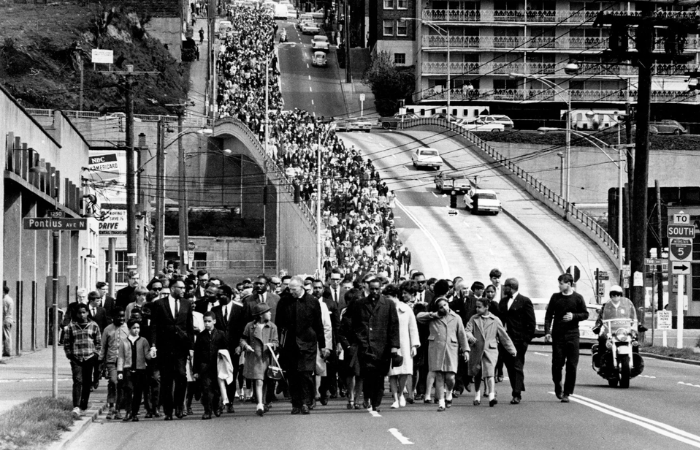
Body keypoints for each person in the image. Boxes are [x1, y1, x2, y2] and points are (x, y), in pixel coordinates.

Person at [341, 279, 400, 413]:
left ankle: (376, 403)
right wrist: (358, 339)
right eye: (372, 289)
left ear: (380, 289)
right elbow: (351, 323)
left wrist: (394, 346)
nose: (374, 292)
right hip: (365, 347)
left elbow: (394, 326)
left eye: (377, 289)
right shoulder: (360, 304)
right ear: (367, 288)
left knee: (379, 376)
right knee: (367, 375)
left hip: (382, 347)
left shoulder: (389, 304)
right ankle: (367, 396)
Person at [275, 276, 327, 415]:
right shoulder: (284, 301)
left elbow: (318, 325)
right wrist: (278, 342)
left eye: (294, 289)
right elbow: (278, 323)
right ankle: (295, 403)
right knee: (292, 375)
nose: (291, 292)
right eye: (289, 289)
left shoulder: (312, 301)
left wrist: (323, 345)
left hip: (308, 342)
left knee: (305, 373)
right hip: (290, 344)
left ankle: (306, 402)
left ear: (302, 287)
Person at [417, 285, 469, 412]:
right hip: (436, 349)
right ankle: (441, 402)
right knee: (439, 375)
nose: (443, 308)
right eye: (440, 307)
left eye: (445, 305)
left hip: (451, 348)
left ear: (448, 304)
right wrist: (433, 314)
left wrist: (466, 350)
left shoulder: (456, 318)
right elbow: (419, 317)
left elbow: (462, 334)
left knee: (450, 377)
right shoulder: (433, 317)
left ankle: (449, 391)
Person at [149, 277, 194, 420]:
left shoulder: (187, 304)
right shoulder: (159, 304)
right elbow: (154, 326)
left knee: (181, 375)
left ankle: (179, 406)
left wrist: (191, 347)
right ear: (173, 288)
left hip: (181, 347)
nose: (183, 291)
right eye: (181, 288)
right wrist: (154, 345)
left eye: (184, 288)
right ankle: (168, 410)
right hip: (165, 347)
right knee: (167, 379)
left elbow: (189, 327)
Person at [544, 273, 589, 402]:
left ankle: (567, 392)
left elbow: (585, 314)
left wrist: (574, 316)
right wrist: (547, 332)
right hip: (558, 335)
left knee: (572, 365)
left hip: (573, 335)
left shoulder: (578, 298)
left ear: (568, 284)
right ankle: (558, 384)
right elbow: (548, 316)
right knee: (557, 364)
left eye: (561, 283)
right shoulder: (555, 297)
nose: (559, 286)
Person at [466, 297, 516, 407]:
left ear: (487, 307)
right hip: (477, 349)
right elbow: (467, 330)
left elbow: (504, 336)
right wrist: (470, 337)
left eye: (479, 307)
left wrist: (511, 349)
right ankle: (477, 395)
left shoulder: (495, 320)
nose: (477, 309)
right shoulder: (474, 319)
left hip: (490, 350)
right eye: (476, 307)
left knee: (490, 373)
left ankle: (491, 396)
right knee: (477, 374)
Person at [497, 278, 535, 405]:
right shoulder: (503, 301)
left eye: (505, 287)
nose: (503, 289)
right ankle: (516, 388)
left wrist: (526, 340)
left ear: (511, 287)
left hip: (518, 340)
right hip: (504, 340)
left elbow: (531, 323)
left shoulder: (524, 301)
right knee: (509, 366)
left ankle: (516, 393)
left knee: (517, 366)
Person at [64, 303, 102, 419]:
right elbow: (67, 343)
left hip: (89, 357)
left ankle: (83, 405)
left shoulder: (93, 326)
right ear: (76, 314)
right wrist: (70, 355)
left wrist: (95, 354)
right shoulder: (71, 327)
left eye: (84, 312)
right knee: (77, 380)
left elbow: (98, 342)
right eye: (79, 313)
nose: (82, 315)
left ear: (87, 313)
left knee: (86, 382)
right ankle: (76, 406)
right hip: (76, 358)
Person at [241, 303, 279, 416]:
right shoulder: (250, 326)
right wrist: (246, 346)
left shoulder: (272, 327)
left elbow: (277, 342)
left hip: (267, 357)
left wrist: (272, 345)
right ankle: (260, 404)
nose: (270, 313)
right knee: (258, 380)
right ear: (261, 315)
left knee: (266, 381)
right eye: (268, 312)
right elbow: (243, 339)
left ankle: (264, 401)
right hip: (255, 356)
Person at [211, 285, 245, 413]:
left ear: (229, 294)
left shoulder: (239, 310)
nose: (219, 298)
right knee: (219, 374)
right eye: (218, 295)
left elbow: (242, 330)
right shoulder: (214, 310)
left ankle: (230, 401)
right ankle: (220, 400)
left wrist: (239, 346)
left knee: (232, 374)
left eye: (221, 295)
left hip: (234, 348)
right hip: (217, 348)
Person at [386, 284, 419, 409]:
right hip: (390, 344)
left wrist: (414, 345)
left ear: (395, 296)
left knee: (405, 371)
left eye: (389, 297)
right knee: (392, 372)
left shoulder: (406, 309)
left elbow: (413, 328)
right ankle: (395, 398)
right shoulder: (385, 309)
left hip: (405, 343)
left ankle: (401, 394)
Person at [193, 312, 228, 420]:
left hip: (217, 366)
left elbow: (226, 350)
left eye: (209, 321)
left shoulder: (221, 334)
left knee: (216, 389)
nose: (207, 323)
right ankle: (207, 411)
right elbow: (197, 353)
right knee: (206, 389)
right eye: (205, 321)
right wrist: (196, 370)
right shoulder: (200, 336)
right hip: (204, 367)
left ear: (214, 321)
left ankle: (216, 406)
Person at [593, 285, 638, 369]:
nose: (616, 296)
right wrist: (598, 325)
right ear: (611, 295)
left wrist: (637, 324)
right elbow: (600, 318)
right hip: (610, 331)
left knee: (635, 339)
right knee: (602, 338)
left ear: (621, 295)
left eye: (618, 294)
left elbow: (633, 317)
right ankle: (601, 361)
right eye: (613, 294)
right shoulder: (606, 306)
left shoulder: (627, 306)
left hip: (624, 331)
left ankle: (635, 360)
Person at [117, 319, 153, 421]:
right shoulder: (124, 342)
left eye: (138, 328)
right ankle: (128, 412)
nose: (136, 330)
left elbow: (147, 356)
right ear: (129, 328)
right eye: (134, 328)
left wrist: (152, 354)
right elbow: (121, 357)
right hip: (127, 369)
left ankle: (134, 413)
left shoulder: (143, 341)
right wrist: (120, 371)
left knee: (138, 392)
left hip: (140, 370)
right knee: (128, 390)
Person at [99, 308, 129, 420]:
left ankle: (118, 409)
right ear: (113, 318)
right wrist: (100, 362)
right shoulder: (108, 329)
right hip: (111, 360)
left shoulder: (128, 329)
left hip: (125, 361)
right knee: (113, 381)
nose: (121, 319)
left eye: (123, 316)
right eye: (118, 316)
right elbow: (103, 346)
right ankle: (111, 406)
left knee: (122, 385)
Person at [3, 284, 14, 357]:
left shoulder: (4, 300)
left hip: (6, 319)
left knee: (6, 336)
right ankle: (8, 350)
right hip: (10, 319)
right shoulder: (10, 299)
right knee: (8, 335)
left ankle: (7, 352)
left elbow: (4, 310)